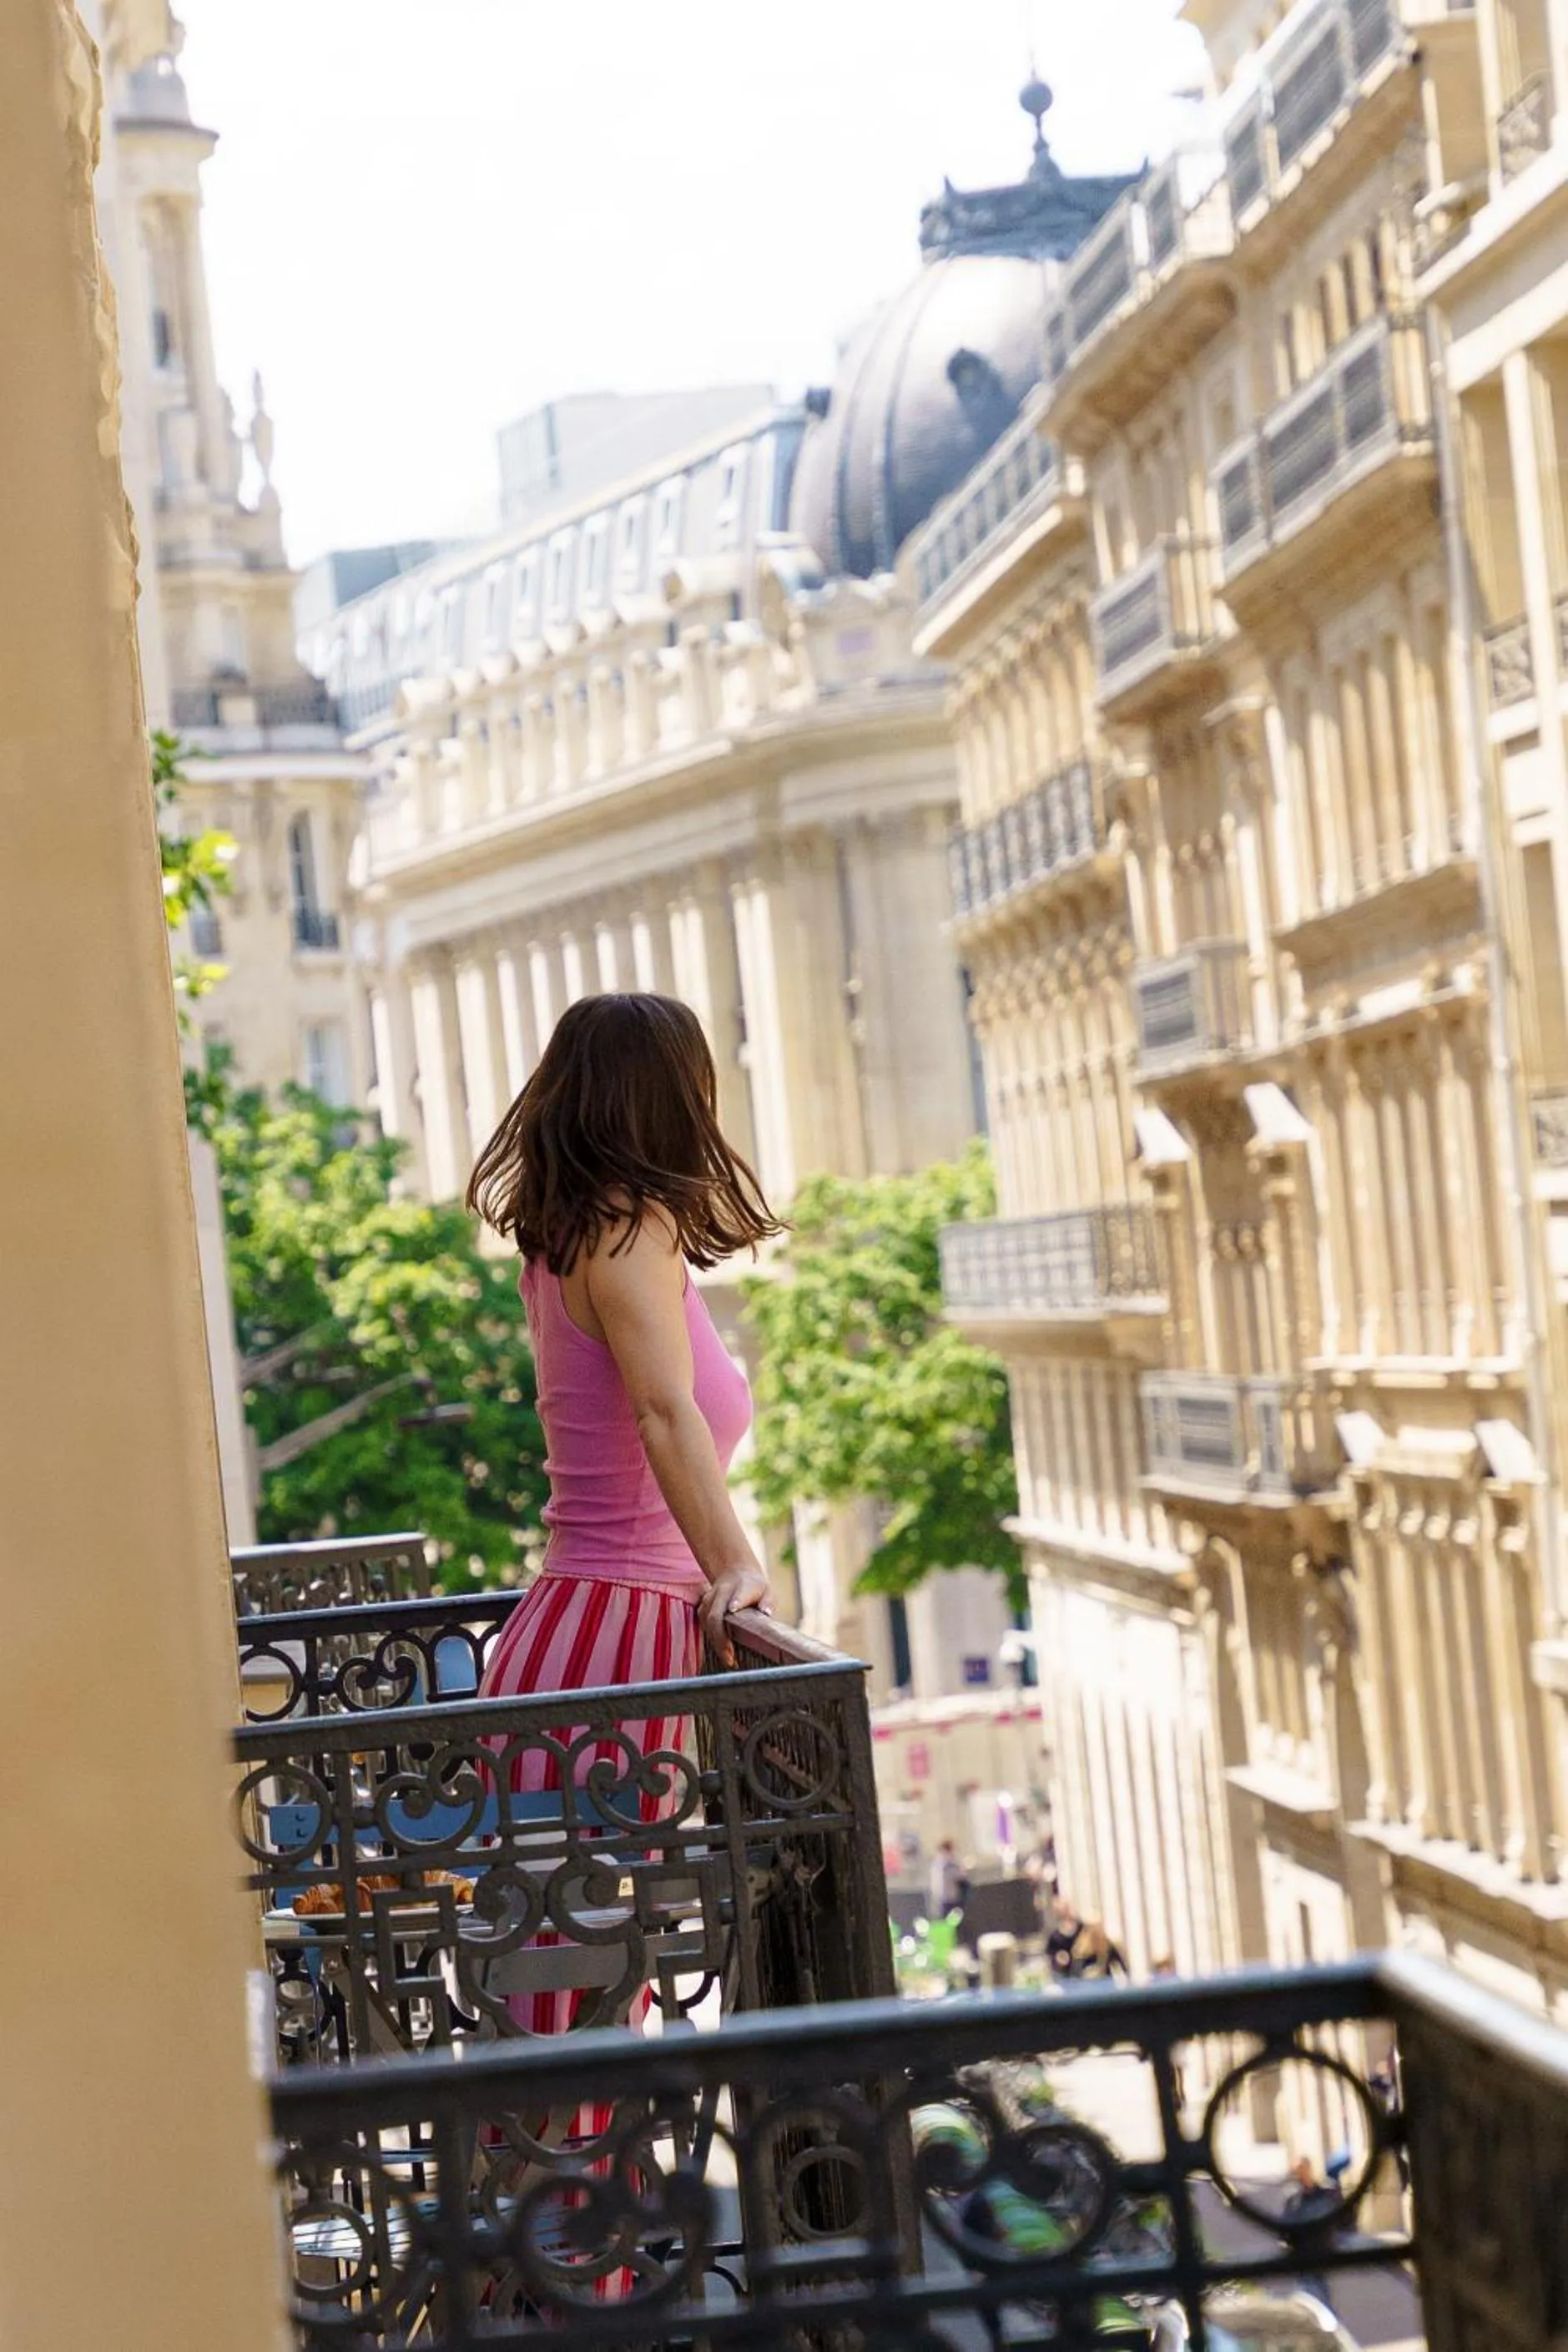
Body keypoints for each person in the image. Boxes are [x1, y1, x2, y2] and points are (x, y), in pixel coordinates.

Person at [466, 992, 780, 2049]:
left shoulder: (567, 1238)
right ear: (663, 1096)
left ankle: (572, 2204)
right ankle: (580, 2210)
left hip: (580, 1625)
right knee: (584, 1977)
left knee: (576, 1970)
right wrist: (735, 1565)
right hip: (615, 1635)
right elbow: (661, 1409)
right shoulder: (627, 1231)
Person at [930, 1838, 970, 1920]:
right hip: (950, 1898)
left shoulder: (936, 1863)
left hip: (939, 1898)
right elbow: (961, 1876)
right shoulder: (949, 1863)